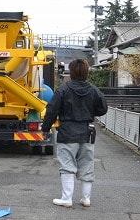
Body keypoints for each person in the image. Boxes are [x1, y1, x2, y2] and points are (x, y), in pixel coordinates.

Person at [42, 59, 108, 208]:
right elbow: (103, 108)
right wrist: (91, 112)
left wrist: (45, 129)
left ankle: (67, 198)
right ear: (86, 72)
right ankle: (86, 199)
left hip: (67, 132)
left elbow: (51, 110)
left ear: (71, 73)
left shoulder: (63, 90)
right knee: (87, 165)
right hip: (87, 132)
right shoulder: (93, 90)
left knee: (67, 165)